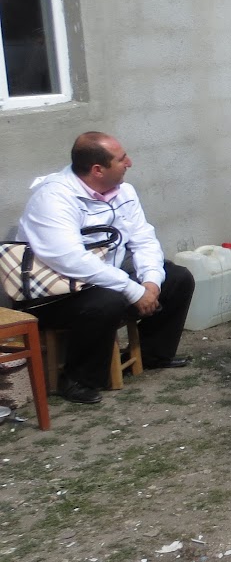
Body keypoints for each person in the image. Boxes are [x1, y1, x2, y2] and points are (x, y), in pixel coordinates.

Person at [14, 133, 197, 405]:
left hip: (103, 280)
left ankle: (153, 355)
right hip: (52, 294)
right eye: (122, 159)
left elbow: (144, 239)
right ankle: (77, 380)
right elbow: (71, 260)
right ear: (97, 169)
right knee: (106, 301)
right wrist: (132, 289)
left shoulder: (124, 191)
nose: (130, 163)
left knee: (178, 278)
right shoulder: (54, 198)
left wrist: (150, 283)